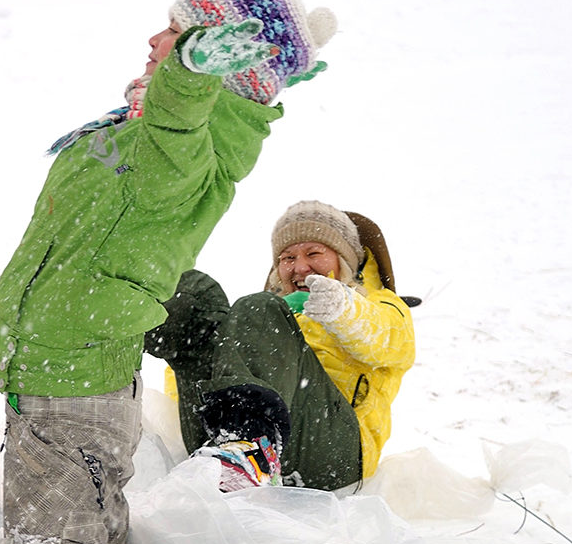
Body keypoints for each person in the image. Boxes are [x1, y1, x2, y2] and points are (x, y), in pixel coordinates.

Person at [0, 0, 345, 544]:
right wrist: (250, 88)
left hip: (69, 388)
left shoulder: (174, 149)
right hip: (63, 377)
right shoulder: (153, 141)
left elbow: (182, 116)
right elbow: (216, 124)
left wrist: (189, 69)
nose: (154, 42)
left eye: (174, 33)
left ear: (214, 57)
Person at [145, 201, 418, 493]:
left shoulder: (382, 306)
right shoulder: (258, 322)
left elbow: (384, 338)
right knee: (194, 291)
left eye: (314, 253)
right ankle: (105, 363)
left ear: (345, 259)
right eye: (288, 258)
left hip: (332, 455)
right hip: (220, 441)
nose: (300, 267)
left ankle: (250, 446)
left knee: (259, 307)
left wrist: (344, 309)